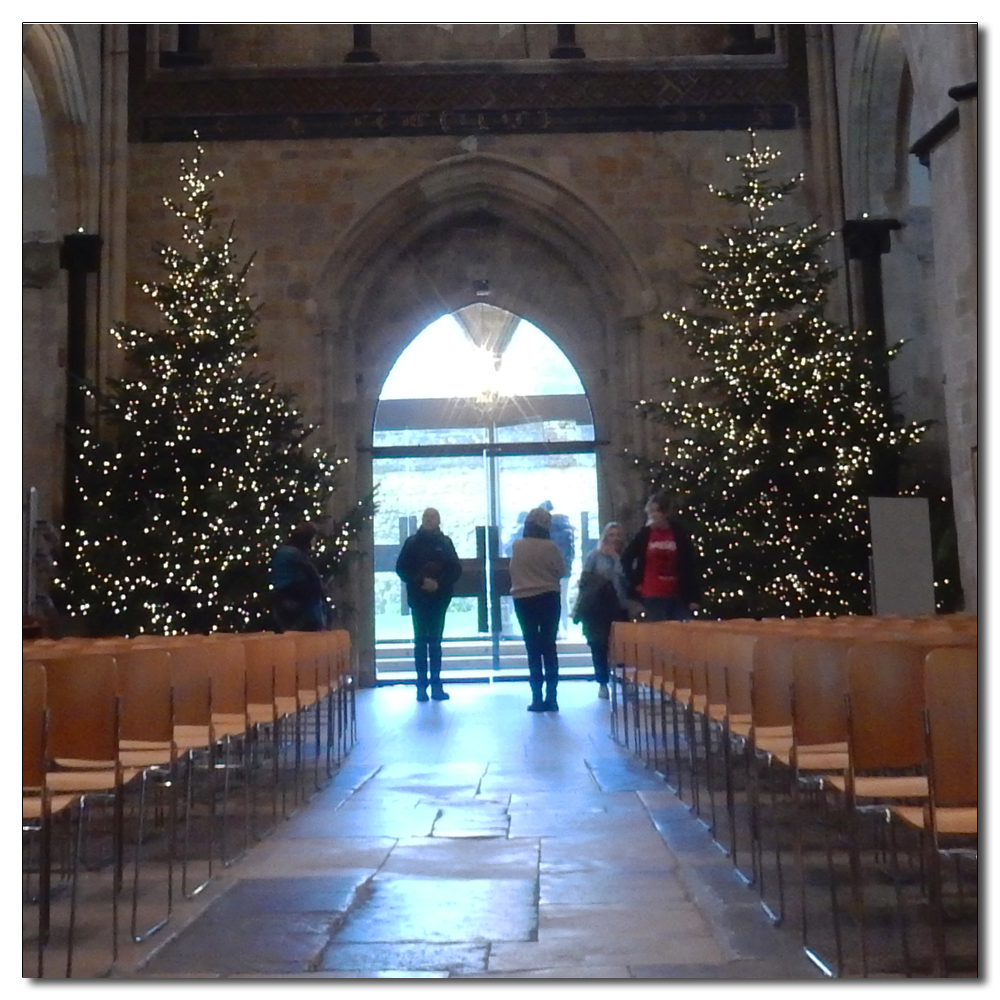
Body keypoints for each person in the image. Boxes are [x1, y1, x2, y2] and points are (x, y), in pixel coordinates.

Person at [395, 507, 463, 702]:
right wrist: (421, 582)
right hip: (418, 598)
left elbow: (455, 569)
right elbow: (402, 568)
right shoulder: (412, 543)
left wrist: (438, 583)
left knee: (435, 642)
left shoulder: (445, 543)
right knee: (420, 642)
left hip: (439, 598)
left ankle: (436, 684)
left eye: (433, 517)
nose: (429, 520)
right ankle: (421, 686)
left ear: (438, 520)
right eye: (426, 517)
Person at [509, 506, 566, 712]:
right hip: (548, 597)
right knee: (549, 647)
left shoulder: (517, 545)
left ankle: (536, 697)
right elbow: (561, 570)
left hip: (523, 599)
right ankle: (552, 697)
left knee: (532, 648)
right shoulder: (550, 547)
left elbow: (513, 570)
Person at [621, 491, 703, 622]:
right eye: (650, 512)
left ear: (665, 513)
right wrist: (635, 582)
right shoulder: (644, 534)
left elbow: (689, 564)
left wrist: (694, 597)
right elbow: (626, 558)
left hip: (677, 594)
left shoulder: (678, 532)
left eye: (656, 511)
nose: (652, 516)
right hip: (652, 594)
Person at [571, 521, 629, 700]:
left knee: (621, 645)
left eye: (618, 535)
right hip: (597, 608)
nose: (615, 538)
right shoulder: (594, 556)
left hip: (618, 605)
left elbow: (626, 580)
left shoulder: (624, 556)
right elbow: (585, 581)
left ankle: (623, 679)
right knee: (598, 644)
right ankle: (602, 682)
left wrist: (616, 559)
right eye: (611, 534)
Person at [270, 521, 329, 632]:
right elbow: (313, 576)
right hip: (295, 592)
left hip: (279, 594)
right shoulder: (296, 554)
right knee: (313, 592)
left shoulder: (283, 551)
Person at [540, 500, 575, 635]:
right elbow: (570, 553)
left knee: (550, 600)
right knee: (563, 599)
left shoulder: (546, 531)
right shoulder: (567, 528)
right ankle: (565, 627)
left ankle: (555, 629)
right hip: (565, 570)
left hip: (548, 572)